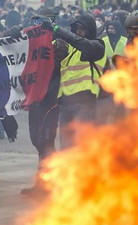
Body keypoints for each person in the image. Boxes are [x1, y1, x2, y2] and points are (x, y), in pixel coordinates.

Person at [17, 7, 68, 196]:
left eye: (39, 21)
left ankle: (49, 182)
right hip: (35, 100)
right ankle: (46, 180)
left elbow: (55, 62)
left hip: (51, 101)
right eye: (34, 21)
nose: (35, 25)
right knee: (36, 140)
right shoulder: (30, 42)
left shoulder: (60, 43)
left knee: (45, 140)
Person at [42, 14, 107, 149]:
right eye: (76, 29)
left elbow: (82, 44)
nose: (78, 32)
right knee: (66, 146)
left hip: (85, 102)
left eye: (82, 29)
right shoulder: (68, 49)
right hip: (66, 103)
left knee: (83, 144)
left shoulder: (97, 46)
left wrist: (55, 28)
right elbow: (42, 47)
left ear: (90, 30)